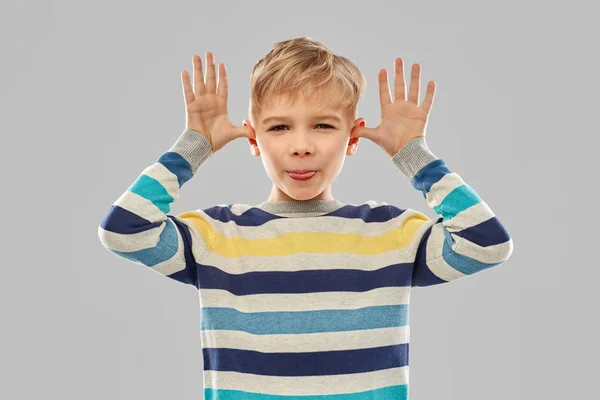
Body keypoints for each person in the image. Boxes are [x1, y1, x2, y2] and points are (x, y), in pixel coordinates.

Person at [98, 36, 513, 400]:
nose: (301, 146)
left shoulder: (391, 234)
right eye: (279, 127)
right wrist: (195, 146)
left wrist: (413, 156)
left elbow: (487, 245)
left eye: (322, 126)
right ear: (253, 138)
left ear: (352, 137)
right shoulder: (216, 237)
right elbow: (124, 230)